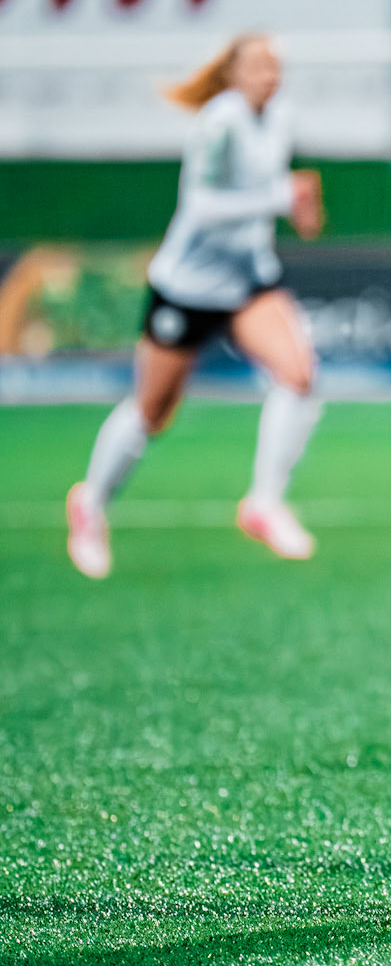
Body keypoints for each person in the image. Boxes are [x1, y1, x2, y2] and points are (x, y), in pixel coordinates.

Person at [65, 33, 325, 579]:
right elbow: (202, 207)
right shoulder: (219, 122)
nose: (270, 76)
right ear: (233, 74)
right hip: (188, 283)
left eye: (276, 66)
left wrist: (299, 205)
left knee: (299, 375)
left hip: (247, 277)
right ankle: (90, 504)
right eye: (258, 66)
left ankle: (264, 502)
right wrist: (279, 199)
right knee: (152, 411)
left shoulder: (280, 116)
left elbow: (273, 182)